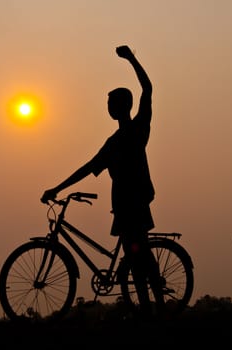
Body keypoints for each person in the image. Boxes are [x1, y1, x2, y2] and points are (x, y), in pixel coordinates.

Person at [41, 45, 165, 318]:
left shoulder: (136, 129)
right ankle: (150, 309)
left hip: (134, 203)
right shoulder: (114, 142)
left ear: (123, 106)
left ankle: (153, 308)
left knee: (140, 256)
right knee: (137, 257)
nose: (109, 107)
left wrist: (132, 59)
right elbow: (87, 168)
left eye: (112, 103)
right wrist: (58, 188)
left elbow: (148, 89)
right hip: (123, 204)